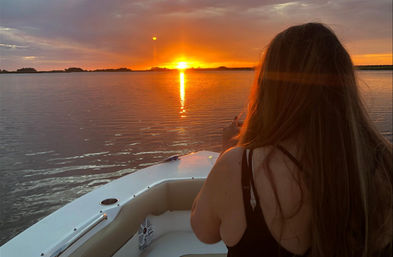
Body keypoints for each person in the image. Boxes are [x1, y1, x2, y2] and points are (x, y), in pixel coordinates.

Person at [190, 23, 392, 257]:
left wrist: (230, 152)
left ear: (270, 88)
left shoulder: (236, 167)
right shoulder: (386, 163)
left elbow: (203, 231)